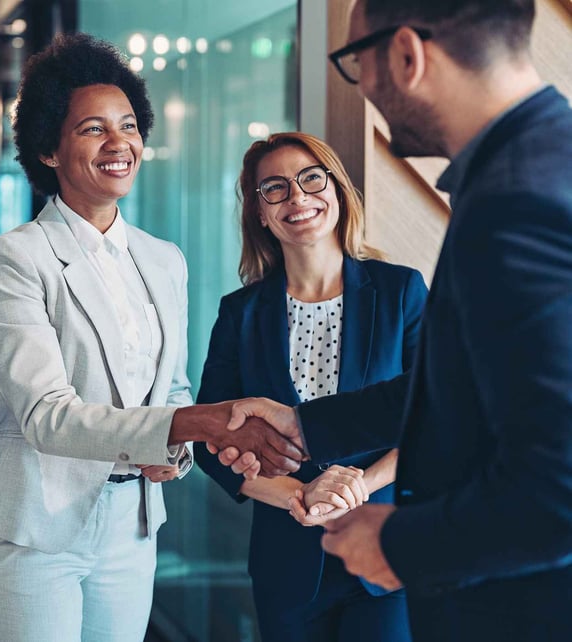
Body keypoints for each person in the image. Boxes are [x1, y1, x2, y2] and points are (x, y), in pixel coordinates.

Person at [223, 1, 572, 639]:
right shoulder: (539, 166)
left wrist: (400, 544)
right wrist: (304, 424)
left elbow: (560, 478)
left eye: (357, 63)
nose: (365, 90)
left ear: (406, 55)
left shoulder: (519, 202)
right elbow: (462, 385)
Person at [0, 33, 304, 642]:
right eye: (93, 129)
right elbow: (47, 417)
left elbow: (170, 388)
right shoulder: (13, 259)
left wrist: (174, 452)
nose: (119, 143)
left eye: (128, 125)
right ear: (48, 149)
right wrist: (199, 423)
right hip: (36, 525)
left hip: (132, 523)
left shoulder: (163, 259)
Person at [196, 132, 425, 641]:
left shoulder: (400, 292)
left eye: (310, 179)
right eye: (274, 189)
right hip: (287, 560)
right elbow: (210, 442)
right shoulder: (240, 314)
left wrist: (356, 488)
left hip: (385, 554)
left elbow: (432, 416)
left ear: (337, 190)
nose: (297, 198)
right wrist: (301, 496)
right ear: (259, 212)